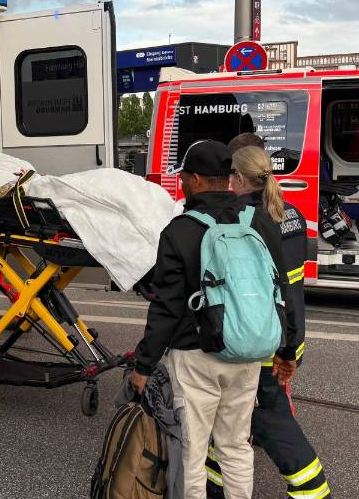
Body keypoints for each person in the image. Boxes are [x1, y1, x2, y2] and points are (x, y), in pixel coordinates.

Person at [131, 139, 287, 499]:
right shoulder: (259, 220)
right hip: (248, 350)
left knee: (194, 451)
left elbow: (166, 307)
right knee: (235, 446)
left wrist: (143, 364)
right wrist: (287, 345)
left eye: (184, 177)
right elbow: (279, 288)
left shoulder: (180, 230)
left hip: (195, 353)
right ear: (228, 179)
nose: (182, 183)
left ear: (197, 180)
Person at [205, 133, 331, 499]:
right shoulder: (291, 213)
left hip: (262, 339)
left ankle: (313, 491)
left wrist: (283, 349)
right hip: (288, 334)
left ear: (240, 178)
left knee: (270, 418)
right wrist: (291, 347)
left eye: (231, 176)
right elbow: (292, 288)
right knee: (231, 418)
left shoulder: (247, 219)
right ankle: (216, 486)